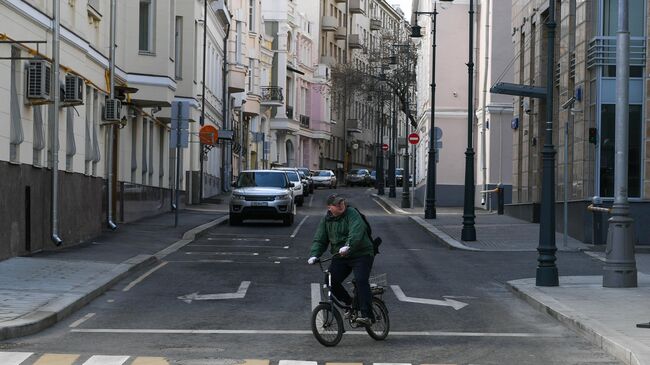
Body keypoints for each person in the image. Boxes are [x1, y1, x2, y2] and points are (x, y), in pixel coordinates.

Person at [307, 194, 375, 326]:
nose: (341, 205)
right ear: (329, 207)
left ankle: (367, 315)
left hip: (361, 253)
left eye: (342, 202)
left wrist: (348, 245)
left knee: (361, 280)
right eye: (337, 204)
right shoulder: (327, 220)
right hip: (341, 256)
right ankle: (350, 303)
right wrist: (314, 255)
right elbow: (320, 239)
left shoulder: (352, 213)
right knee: (330, 281)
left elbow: (357, 231)